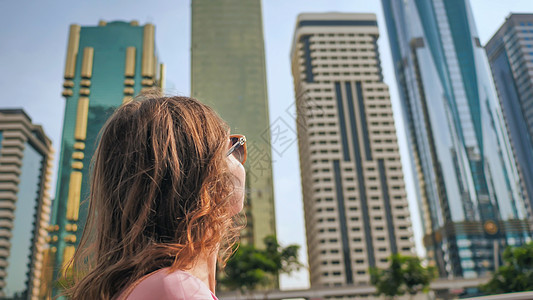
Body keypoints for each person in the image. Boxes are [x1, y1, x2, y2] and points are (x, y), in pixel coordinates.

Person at [65, 93, 247, 300]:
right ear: (206, 176)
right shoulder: (177, 290)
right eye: (234, 147)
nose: (241, 160)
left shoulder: (154, 286)